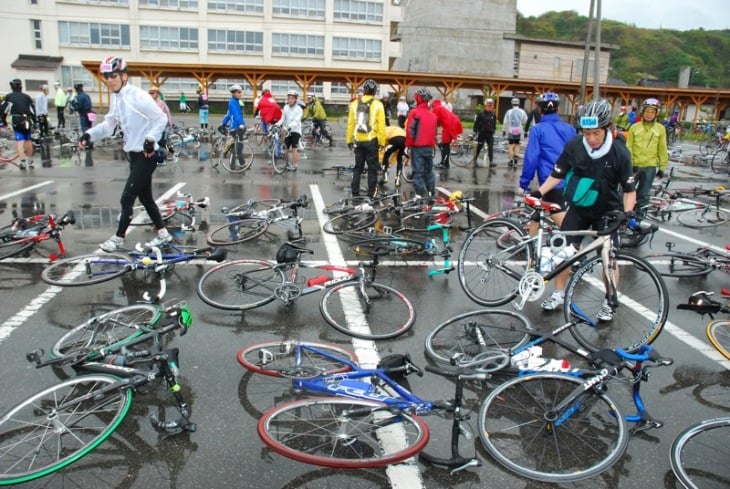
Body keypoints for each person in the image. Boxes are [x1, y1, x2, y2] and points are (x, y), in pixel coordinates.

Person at [532, 99, 636, 320]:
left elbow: (629, 189)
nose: (591, 138)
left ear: (607, 128)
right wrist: (539, 192)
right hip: (579, 207)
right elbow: (557, 174)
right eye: (586, 133)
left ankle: (609, 300)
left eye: (596, 133)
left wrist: (627, 214)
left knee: (609, 258)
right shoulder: (575, 145)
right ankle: (559, 293)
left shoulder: (619, 152)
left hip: (608, 211)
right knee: (563, 253)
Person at [78, 55, 171, 253]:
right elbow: (109, 125)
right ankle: (164, 233)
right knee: (145, 198)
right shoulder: (117, 98)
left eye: (113, 75)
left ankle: (119, 237)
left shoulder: (138, 96)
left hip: (147, 155)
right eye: (105, 76)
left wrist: (150, 140)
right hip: (133, 155)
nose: (109, 80)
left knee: (127, 198)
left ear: (123, 75)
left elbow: (161, 119)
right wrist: (89, 134)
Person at [519, 92, 576, 233]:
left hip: (549, 181)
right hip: (570, 179)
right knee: (538, 212)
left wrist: (524, 183)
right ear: (557, 109)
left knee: (565, 227)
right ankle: (530, 248)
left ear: (539, 109)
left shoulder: (538, 129)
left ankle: (579, 251)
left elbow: (531, 158)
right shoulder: (570, 128)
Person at [627, 97, 668, 220]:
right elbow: (629, 146)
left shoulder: (660, 129)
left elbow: (662, 148)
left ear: (656, 114)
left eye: (652, 112)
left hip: (649, 166)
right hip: (634, 166)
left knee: (643, 194)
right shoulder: (634, 127)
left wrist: (662, 167)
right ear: (642, 112)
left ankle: (639, 218)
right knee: (627, 191)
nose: (649, 114)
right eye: (647, 111)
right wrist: (630, 163)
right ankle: (623, 215)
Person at [345, 78, 386, 198]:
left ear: (364, 90)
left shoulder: (354, 104)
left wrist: (349, 140)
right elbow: (381, 125)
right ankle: (371, 194)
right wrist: (382, 142)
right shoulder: (378, 104)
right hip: (371, 140)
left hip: (358, 140)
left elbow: (351, 123)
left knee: (358, 167)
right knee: (372, 168)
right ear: (375, 91)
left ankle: (355, 192)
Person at [405, 88, 438, 198]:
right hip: (429, 147)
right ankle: (430, 192)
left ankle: (420, 194)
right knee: (429, 172)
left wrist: (408, 145)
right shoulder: (433, 116)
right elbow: (434, 133)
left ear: (418, 99)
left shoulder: (414, 112)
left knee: (418, 172)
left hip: (417, 147)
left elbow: (410, 130)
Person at [0, 78, 36, 170]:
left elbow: (3, 110)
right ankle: (30, 160)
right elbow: (32, 110)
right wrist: (35, 121)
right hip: (27, 120)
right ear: (21, 86)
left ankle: (23, 162)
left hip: (16, 120)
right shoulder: (26, 97)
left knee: (20, 140)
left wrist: (3, 121)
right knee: (28, 139)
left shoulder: (9, 97)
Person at [219, 84, 247, 170]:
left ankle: (242, 163)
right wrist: (241, 124)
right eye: (238, 92)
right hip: (236, 127)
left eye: (240, 92)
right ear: (233, 93)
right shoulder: (233, 102)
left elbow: (229, 115)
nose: (240, 94)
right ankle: (232, 165)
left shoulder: (235, 102)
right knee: (238, 147)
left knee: (238, 146)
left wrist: (223, 123)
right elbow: (235, 115)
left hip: (237, 126)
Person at [432, 98, 462, 169]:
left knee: (445, 145)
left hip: (449, 126)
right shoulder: (441, 108)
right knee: (445, 145)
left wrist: (433, 132)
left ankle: (444, 163)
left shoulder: (437, 108)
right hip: (453, 124)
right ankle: (445, 162)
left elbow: (435, 121)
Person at [278, 90, 302, 171]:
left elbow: (296, 121)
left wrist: (288, 127)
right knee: (285, 149)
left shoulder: (299, 109)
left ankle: (295, 165)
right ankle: (286, 164)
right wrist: (276, 125)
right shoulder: (286, 107)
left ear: (295, 99)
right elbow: (282, 119)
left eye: (292, 98)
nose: (290, 100)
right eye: (289, 98)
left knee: (294, 148)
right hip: (287, 131)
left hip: (296, 130)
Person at [503, 97, 528, 167]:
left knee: (511, 145)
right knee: (517, 144)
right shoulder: (522, 111)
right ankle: (516, 158)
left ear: (512, 104)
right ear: (518, 104)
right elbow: (525, 120)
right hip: (518, 129)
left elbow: (505, 122)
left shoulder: (509, 111)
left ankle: (510, 160)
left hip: (511, 129)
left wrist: (504, 131)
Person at [472, 98, 497, 167]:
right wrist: (475, 131)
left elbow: (494, 123)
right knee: (479, 147)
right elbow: (476, 123)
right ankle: (475, 159)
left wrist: (494, 129)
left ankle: (491, 161)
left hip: (490, 133)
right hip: (482, 133)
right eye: (488, 105)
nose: (490, 107)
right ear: (485, 106)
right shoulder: (481, 113)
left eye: (491, 106)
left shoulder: (493, 113)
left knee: (490, 147)